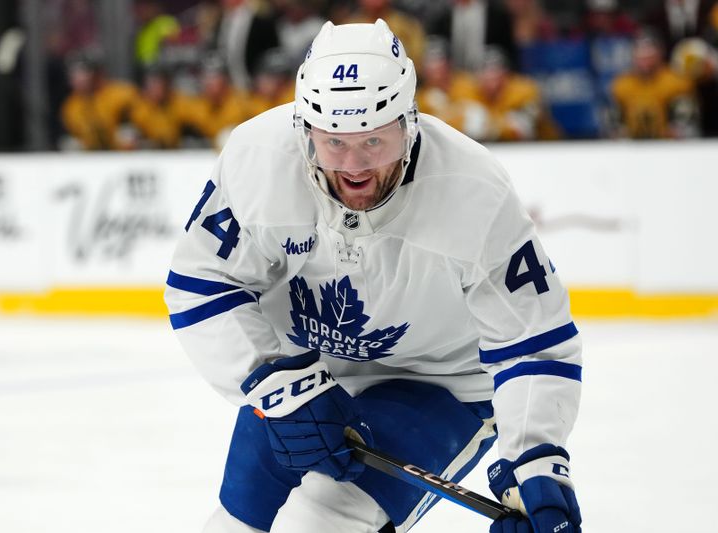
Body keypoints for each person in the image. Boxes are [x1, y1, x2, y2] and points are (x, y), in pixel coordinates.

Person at [165, 19, 583, 533]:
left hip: (441, 385)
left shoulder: (473, 191)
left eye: (373, 142)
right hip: (302, 369)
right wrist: (279, 385)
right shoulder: (259, 159)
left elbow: (533, 336)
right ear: (304, 129)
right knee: (234, 524)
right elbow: (200, 283)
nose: (354, 167)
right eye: (334, 143)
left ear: (409, 124)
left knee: (319, 523)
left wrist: (535, 461)